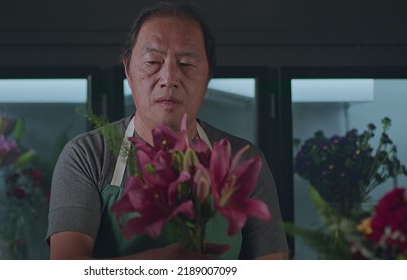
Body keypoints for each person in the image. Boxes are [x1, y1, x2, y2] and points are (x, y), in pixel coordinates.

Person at [46, 2, 289, 260]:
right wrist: (170, 261)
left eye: (186, 64)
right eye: (152, 61)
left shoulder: (244, 160)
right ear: (128, 69)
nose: (169, 77)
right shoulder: (87, 156)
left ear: (208, 74)